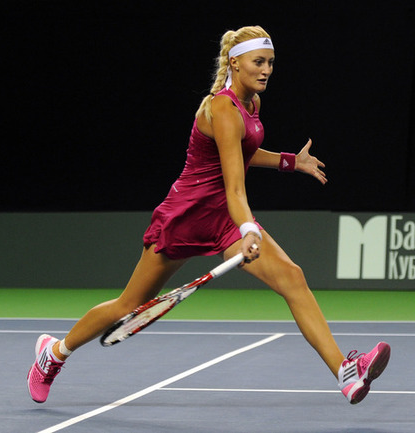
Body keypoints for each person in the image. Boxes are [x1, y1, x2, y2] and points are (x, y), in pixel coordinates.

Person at [27, 25, 390, 405]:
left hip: (224, 218)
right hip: (187, 216)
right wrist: (249, 228)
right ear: (235, 63)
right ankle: (54, 353)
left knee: (292, 277)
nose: (266, 70)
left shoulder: (251, 104)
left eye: (270, 62)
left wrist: (289, 162)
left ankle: (345, 372)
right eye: (258, 61)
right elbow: (235, 186)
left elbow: (241, 153)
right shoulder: (222, 108)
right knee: (128, 304)